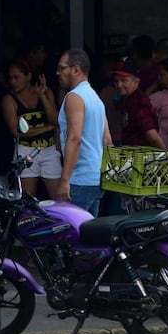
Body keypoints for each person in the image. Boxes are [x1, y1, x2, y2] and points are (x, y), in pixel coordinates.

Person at [56, 49, 112, 216]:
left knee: (69, 235)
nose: (57, 73)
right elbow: (107, 141)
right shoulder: (96, 99)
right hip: (96, 179)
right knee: (88, 237)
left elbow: (74, 139)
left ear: (76, 69)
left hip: (79, 179)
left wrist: (65, 180)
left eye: (61, 68)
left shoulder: (74, 97)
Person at [1, 60, 62, 198]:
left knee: (59, 199)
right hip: (25, 150)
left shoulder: (46, 92)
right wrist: (46, 128)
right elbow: (16, 132)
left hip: (49, 149)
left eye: (17, 77)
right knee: (27, 198)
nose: (12, 81)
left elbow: (55, 120)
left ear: (28, 76)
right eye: (10, 78)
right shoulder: (9, 99)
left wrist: (42, 95)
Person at [113, 59, 165, 149]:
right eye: (116, 81)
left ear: (136, 81)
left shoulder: (139, 102)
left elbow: (152, 135)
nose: (119, 85)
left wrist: (166, 157)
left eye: (124, 80)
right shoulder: (127, 100)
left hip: (141, 157)